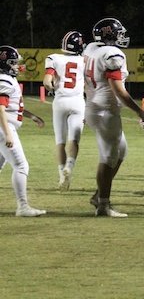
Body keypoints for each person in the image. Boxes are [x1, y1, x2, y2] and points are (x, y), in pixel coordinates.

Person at [83, 18, 144, 218]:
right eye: (119, 33)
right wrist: (139, 111)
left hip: (94, 106)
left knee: (121, 151)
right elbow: (119, 91)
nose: (122, 37)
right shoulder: (112, 54)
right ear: (109, 35)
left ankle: (99, 195)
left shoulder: (91, 49)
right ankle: (103, 204)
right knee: (108, 157)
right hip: (105, 110)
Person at [0, 45, 47, 216]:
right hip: (4, 128)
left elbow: (13, 107)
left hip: (4, 126)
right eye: (13, 63)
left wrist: (32, 116)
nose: (17, 66)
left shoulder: (7, 79)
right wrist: (7, 133)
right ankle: (23, 207)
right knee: (21, 165)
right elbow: (1, 108)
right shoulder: (4, 80)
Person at [43, 31, 86, 191]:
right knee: (74, 140)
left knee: (60, 142)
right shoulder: (84, 60)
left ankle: (62, 176)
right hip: (78, 102)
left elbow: (47, 82)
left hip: (60, 102)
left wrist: (53, 88)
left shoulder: (54, 58)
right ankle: (69, 166)